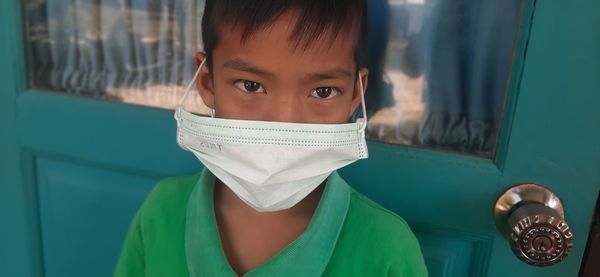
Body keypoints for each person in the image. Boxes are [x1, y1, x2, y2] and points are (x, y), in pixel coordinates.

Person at [114, 0, 428, 276]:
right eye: (251, 86)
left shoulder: (385, 247)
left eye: (323, 91)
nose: (284, 122)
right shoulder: (162, 212)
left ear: (354, 96)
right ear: (208, 82)